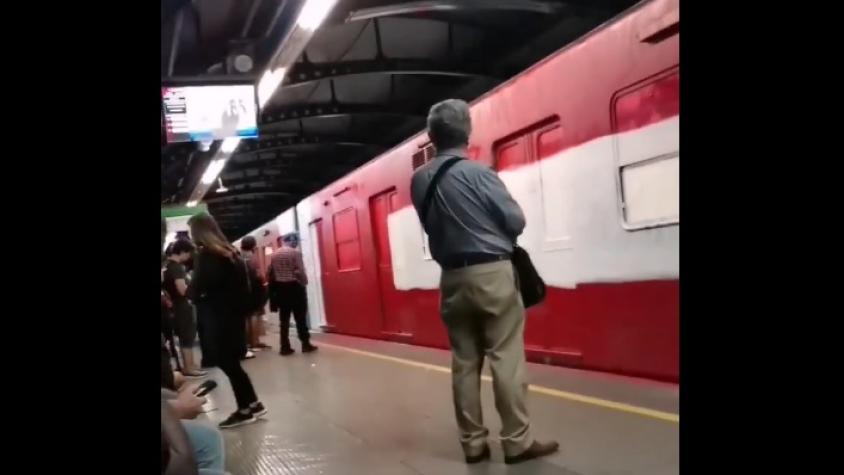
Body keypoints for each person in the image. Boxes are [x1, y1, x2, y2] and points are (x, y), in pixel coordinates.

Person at [410, 99, 558, 465]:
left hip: (452, 279)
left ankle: (473, 444)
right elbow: (515, 221)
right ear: (468, 132)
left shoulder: (419, 180)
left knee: (464, 362)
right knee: (505, 358)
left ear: (432, 136)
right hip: (491, 273)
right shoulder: (479, 174)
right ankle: (516, 442)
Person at [188, 212, 268, 429]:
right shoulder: (231, 253)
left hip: (219, 318)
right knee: (232, 364)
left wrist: (194, 289)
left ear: (199, 233)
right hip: (234, 316)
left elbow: (195, 290)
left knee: (228, 363)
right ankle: (254, 404)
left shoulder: (207, 256)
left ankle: (245, 409)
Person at [268, 232, 317, 355]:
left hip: (281, 290)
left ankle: (284, 347)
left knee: (284, 320)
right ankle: (305, 344)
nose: (296, 244)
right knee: (300, 318)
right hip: (295, 288)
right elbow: (300, 270)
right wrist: (304, 282)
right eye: (296, 241)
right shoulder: (295, 253)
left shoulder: (274, 254)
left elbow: (271, 272)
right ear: (291, 241)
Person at [164, 239, 206, 377]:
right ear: (182, 251)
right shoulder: (176, 267)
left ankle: (190, 365)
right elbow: (182, 289)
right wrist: (194, 288)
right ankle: (188, 367)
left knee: (185, 335)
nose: (189, 257)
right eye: (188, 253)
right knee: (187, 336)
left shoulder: (167, 265)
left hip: (175, 306)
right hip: (182, 305)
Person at [240, 236, 271, 352]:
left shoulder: (239, 256)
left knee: (247, 316)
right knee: (254, 315)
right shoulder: (251, 258)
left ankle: (249, 342)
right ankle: (254, 342)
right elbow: (258, 275)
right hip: (254, 290)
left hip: (243, 290)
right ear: (253, 245)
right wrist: (264, 282)